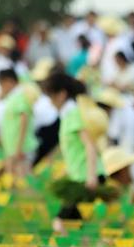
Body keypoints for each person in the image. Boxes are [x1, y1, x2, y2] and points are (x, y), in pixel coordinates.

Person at [41, 73, 109, 230]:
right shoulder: (68, 115)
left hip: (86, 178)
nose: (50, 103)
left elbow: (90, 145)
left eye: (51, 97)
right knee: (79, 224)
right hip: (80, 176)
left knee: (60, 222)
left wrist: (91, 176)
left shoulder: (74, 115)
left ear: (62, 95)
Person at [0, 68, 39, 178]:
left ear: (9, 81)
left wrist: (19, 147)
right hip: (13, 147)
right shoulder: (13, 97)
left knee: (24, 178)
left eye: (2, 84)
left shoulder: (20, 96)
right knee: (14, 179)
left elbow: (24, 120)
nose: (1, 88)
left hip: (21, 147)